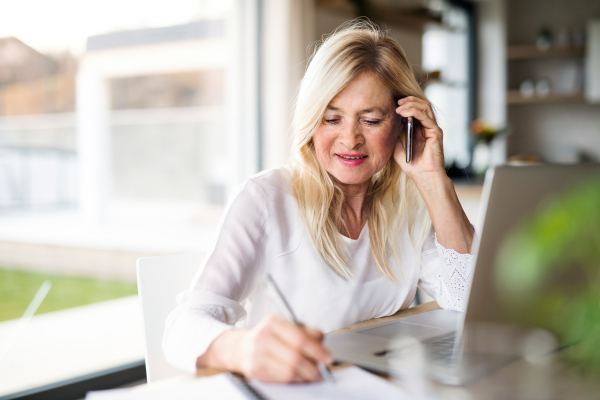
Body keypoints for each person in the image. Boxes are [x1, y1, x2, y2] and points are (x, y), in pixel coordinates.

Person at [163, 21, 475, 384]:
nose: (350, 139)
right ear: (311, 121)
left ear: (402, 124)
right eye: (332, 118)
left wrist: (433, 179)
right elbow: (182, 327)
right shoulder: (266, 199)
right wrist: (245, 349)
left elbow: (469, 299)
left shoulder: (408, 205)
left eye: (371, 120)